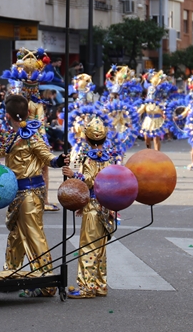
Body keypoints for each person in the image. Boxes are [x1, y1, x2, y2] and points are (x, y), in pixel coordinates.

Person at [0, 94, 68, 297]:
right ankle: (11, 273)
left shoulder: (31, 136)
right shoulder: (14, 136)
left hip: (31, 193)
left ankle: (47, 282)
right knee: (16, 235)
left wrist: (58, 162)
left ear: (7, 115)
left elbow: (46, 156)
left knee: (34, 236)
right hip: (16, 193)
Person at [62, 117, 116, 298]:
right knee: (100, 248)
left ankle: (86, 287)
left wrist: (73, 175)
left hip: (93, 208)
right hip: (106, 208)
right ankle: (100, 284)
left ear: (87, 137)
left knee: (88, 247)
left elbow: (90, 181)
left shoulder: (91, 158)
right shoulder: (110, 157)